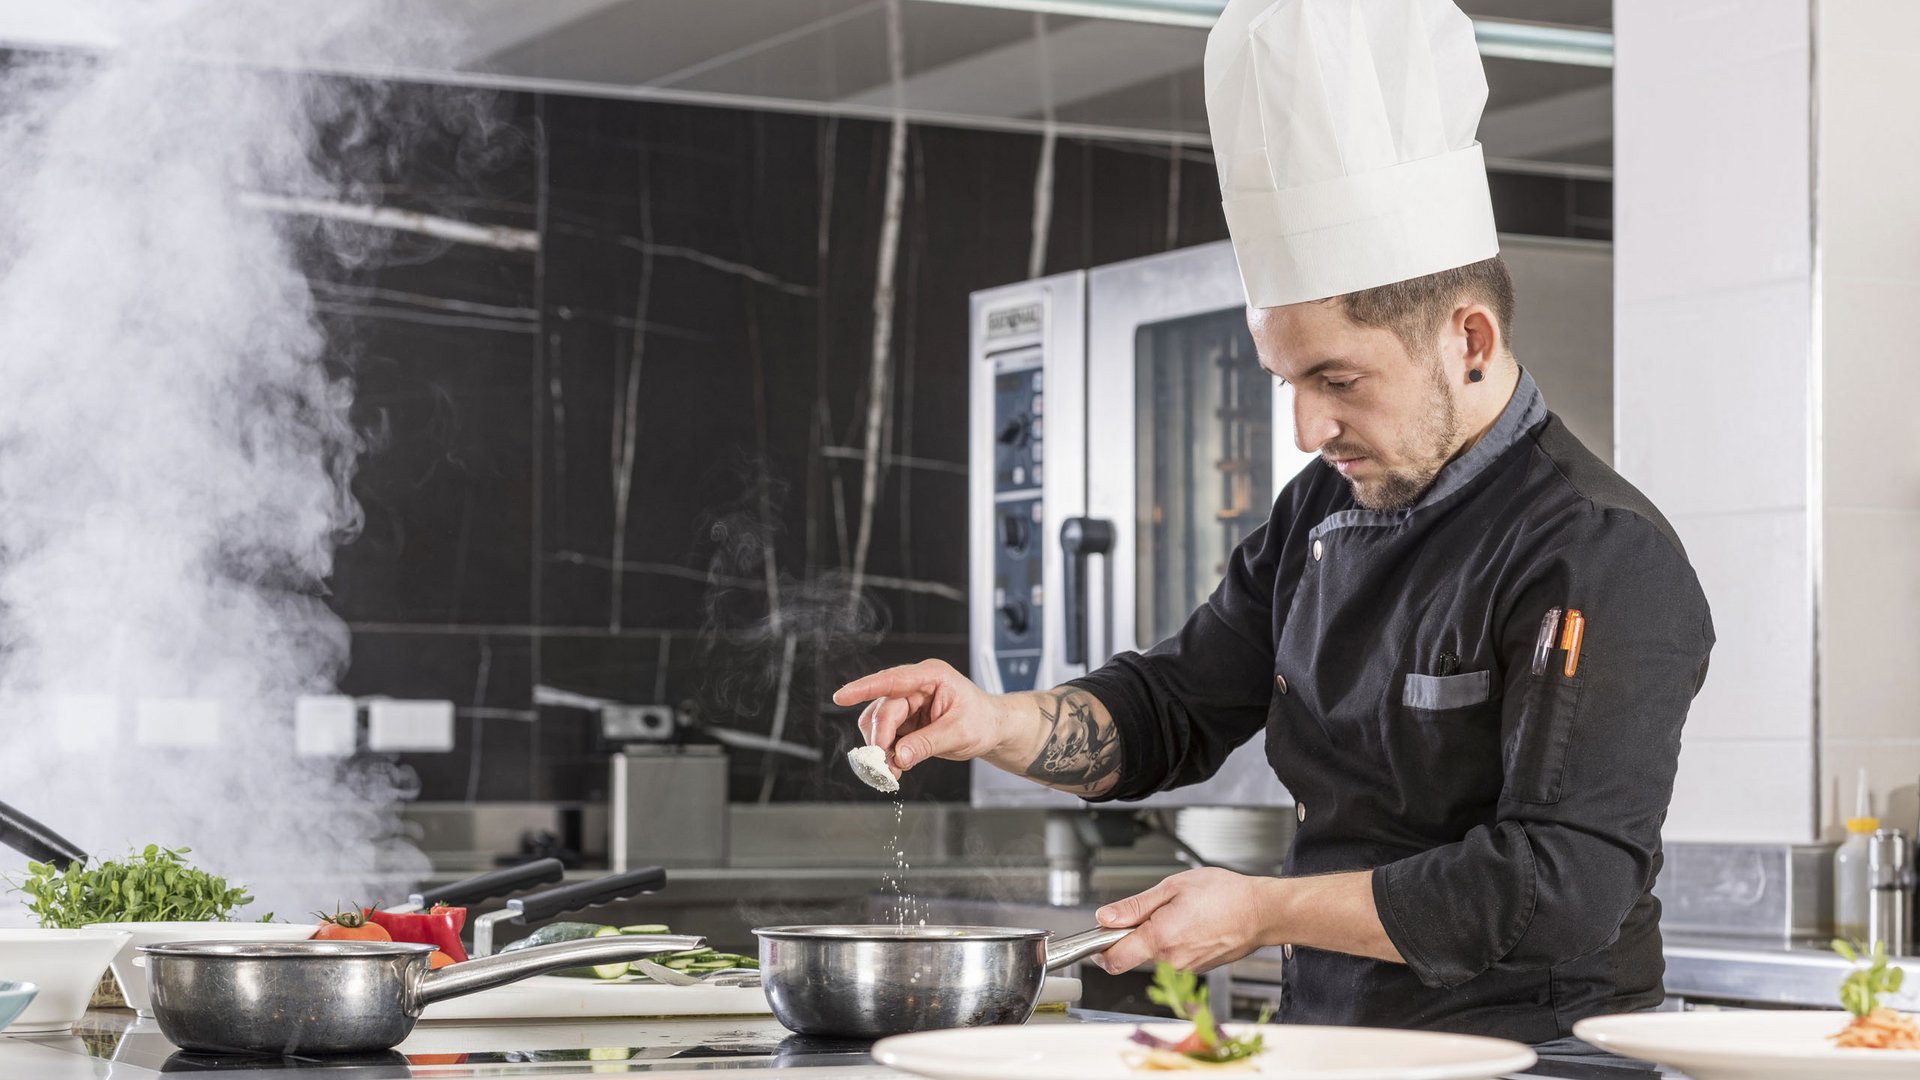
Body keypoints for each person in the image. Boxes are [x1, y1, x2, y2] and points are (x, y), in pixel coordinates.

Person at [834, 0, 1713, 1048]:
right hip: (1333, 1046)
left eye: (1337, 379)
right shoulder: (1326, 509)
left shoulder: (1597, 552)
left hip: (1532, 1060)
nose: (1307, 427)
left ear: (1468, 340)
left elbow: (1557, 888)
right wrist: (994, 722)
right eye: (1287, 379)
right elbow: (1174, 708)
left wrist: (1259, 911)